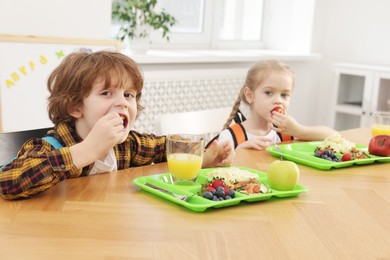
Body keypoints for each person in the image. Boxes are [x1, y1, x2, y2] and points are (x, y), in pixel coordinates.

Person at [0, 50, 234, 200]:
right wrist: (85, 151)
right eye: (106, 93)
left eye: (129, 95)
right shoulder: (50, 146)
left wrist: (202, 157)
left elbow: (164, 147)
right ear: (75, 107)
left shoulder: (128, 144)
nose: (122, 102)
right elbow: (7, 182)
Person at [218, 59, 336, 150]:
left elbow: (334, 136)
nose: (278, 101)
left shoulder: (288, 132)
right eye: (269, 93)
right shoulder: (229, 137)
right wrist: (239, 153)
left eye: (284, 95)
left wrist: (299, 130)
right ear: (250, 95)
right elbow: (213, 174)